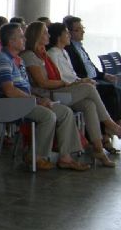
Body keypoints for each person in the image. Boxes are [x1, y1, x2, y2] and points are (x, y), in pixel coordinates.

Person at [0, 23, 89, 171]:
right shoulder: (3, 60)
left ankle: (65, 158)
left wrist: (39, 99)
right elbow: (9, 91)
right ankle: (36, 156)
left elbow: (26, 88)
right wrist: (35, 101)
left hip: (22, 101)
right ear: (11, 42)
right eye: (21, 37)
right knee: (48, 115)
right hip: (8, 104)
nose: (25, 39)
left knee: (65, 112)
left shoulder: (18, 60)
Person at [21, 22, 118, 167]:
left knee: (89, 104)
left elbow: (63, 77)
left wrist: (71, 83)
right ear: (37, 36)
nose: (48, 35)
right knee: (89, 88)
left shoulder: (43, 54)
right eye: (45, 33)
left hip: (55, 91)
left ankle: (98, 148)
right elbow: (43, 83)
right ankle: (110, 124)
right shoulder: (31, 55)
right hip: (48, 94)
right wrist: (67, 84)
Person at [64, 16, 121, 123]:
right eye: (78, 29)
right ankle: (112, 125)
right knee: (109, 90)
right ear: (69, 32)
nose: (83, 31)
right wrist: (86, 80)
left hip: (94, 78)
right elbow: (74, 72)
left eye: (82, 28)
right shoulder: (68, 49)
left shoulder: (80, 47)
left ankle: (113, 124)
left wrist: (105, 75)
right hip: (85, 81)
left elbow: (92, 67)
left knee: (116, 89)